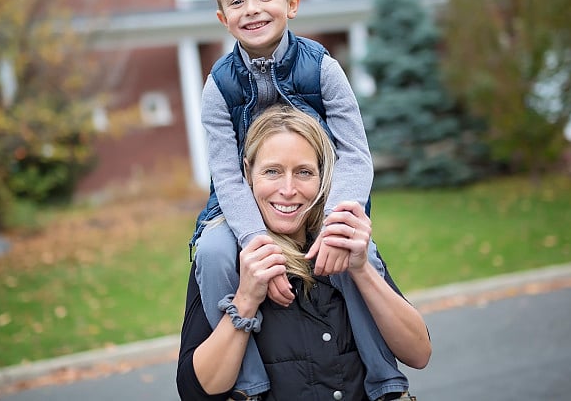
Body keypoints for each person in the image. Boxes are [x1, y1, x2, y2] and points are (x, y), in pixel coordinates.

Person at [188, 0, 406, 399]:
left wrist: (333, 224)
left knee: (353, 252)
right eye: (236, 1)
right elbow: (227, 175)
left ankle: (386, 382)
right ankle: (247, 386)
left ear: (291, 3)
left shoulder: (322, 67)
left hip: (322, 194)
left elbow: (356, 154)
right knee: (211, 251)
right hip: (243, 202)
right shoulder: (218, 85)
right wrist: (255, 241)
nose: (251, 9)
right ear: (222, 17)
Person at [178, 105, 431, 400]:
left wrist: (361, 269)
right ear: (247, 172)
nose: (288, 189)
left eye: (304, 172)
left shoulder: (342, 241)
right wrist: (246, 299)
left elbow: (418, 354)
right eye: (272, 171)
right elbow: (196, 392)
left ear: (322, 177)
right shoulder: (224, 259)